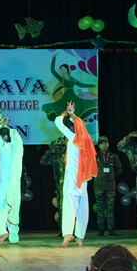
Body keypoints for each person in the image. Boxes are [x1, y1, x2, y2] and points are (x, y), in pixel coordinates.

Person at [54, 101, 98, 247]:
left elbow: (58, 122)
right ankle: (79, 238)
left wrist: (65, 113)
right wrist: (73, 116)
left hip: (73, 177)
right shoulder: (87, 141)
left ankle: (68, 233)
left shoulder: (73, 138)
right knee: (82, 208)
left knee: (69, 206)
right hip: (83, 179)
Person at [0, 114, 24, 245]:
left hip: (3, 184)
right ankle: (14, 238)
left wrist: (1, 123)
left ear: (4, 137)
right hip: (13, 186)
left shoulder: (4, 147)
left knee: (0, 209)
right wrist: (4, 125)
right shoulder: (17, 150)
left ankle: (2, 232)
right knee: (13, 210)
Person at [42, 52, 98, 122]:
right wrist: (54, 58)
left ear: (66, 69)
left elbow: (81, 84)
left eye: (63, 69)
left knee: (85, 105)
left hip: (73, 96)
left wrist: (93, 85)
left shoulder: (72, 79)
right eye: (61, 69)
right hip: (66, 97)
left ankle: (74, 123)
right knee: (65, 110)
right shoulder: (62, 79)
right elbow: (52, 71)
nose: (62, 70)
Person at [93, 136, 123, 237]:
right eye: (102, 143)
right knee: (100, 208)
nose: (104, 145)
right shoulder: (95, 156)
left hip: (110, 186)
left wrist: (111, 176)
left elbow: (119, 170)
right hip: (98, 186)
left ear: (108, 144)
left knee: (110, 208)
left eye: (106, 143)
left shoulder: (113, 156)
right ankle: (101, 230)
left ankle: (111, 230)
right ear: (98, 145)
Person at [40, 136, 67, 233]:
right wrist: (50, 151)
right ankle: (62, 230)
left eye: (60, 146)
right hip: (59, 185)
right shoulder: (55, 158)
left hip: (70, 184)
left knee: (71, 207)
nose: (58, 148)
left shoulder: (68, 154)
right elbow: (43, 161)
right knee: (61, 206)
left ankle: (72, 229)